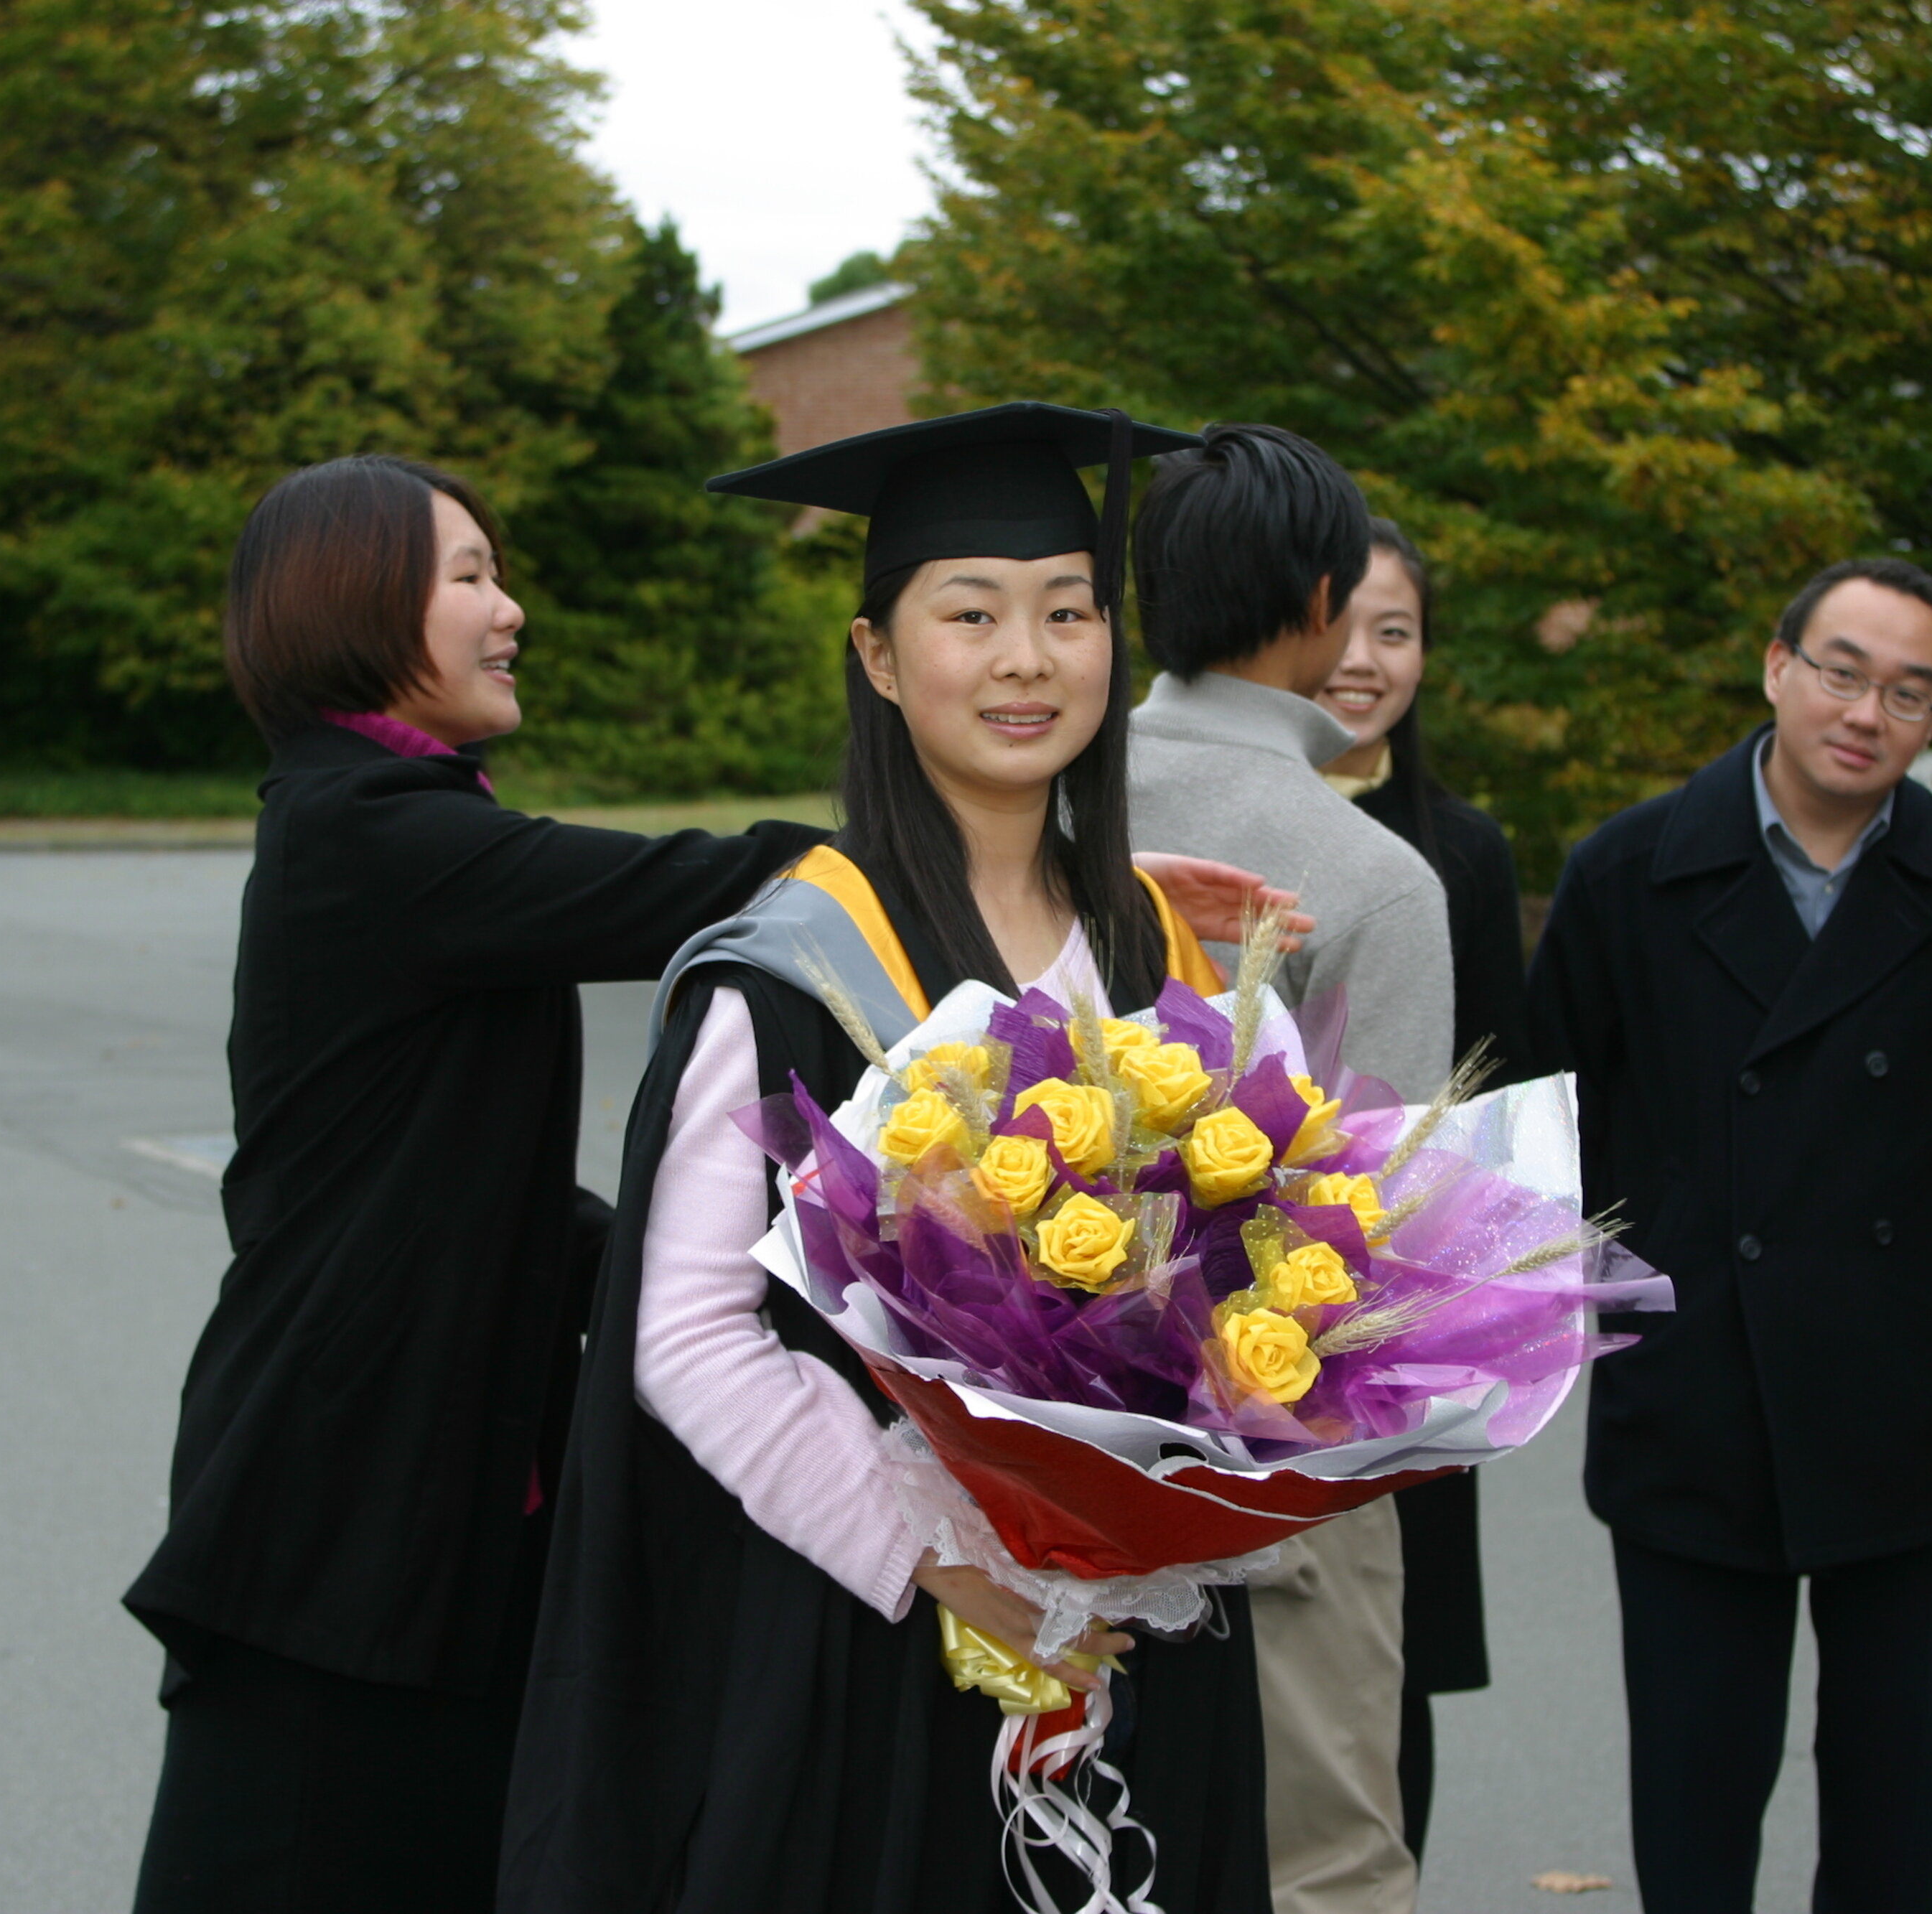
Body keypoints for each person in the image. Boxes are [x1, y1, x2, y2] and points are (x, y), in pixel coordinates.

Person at [125, 452, 1297, 1913]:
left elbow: (482, 1193)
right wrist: (970, 857)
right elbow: (668, 890)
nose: (512, 607)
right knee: (277, 1860)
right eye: (471, 574)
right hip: (344, 1488)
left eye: (1067, 614)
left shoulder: (400, 817)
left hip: (467, 1472)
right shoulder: (364, 834)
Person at [501, 403, 1271, 1913]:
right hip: (876, 1640)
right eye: (969, 614)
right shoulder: (793, 963)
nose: (1025, 658)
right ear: (875, 654)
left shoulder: (1149, 940)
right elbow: (688, 1334)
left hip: (1140, 1626)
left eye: (1068, 610)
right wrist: (948, 1559)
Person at [1526, 556, 1932, 1913]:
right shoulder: (1628, 868)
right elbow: (1548, 1124)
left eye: (1908, 694)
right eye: (1841, 671)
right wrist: (1607, 1302)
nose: (1865, 712)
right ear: (1776, 667)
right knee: (1693, 1813)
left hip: (1906, 1408)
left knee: (1891, 1823)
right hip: (1692, 1406)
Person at [1126, 423, 1452, 1914]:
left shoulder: (1032, 807)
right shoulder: (1371, 875)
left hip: (1010, 1441)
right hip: (1284, 1465)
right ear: (1324, 601)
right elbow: (1381, 1236)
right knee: (1318, 1855)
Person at [1310, 518, 1526, 1859]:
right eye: (1339, 629)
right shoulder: (1193, 829)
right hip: (1215, 1310)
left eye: (1395, 632)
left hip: (1408, 1326)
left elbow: (1503, 1093)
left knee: (1388, 1667)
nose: (1364, 660)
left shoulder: (1461, 849)